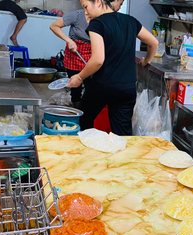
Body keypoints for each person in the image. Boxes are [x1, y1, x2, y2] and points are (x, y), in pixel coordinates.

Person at [67, 0, 158, 135]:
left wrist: (80, 77)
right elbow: (153, 43)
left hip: (102, 85)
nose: (85, 12)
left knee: (83, 120)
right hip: (127, 87)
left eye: (86, 7)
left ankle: (88, 153)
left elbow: (98, 59)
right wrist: (146, 60)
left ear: (98, 2)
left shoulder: (97, 23)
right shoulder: (130, 20)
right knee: (122, 133)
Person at [50, 10, 91, 107]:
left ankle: (88, 111)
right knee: (75, 87)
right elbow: (54, 26)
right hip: (74, 53)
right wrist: (69, 41)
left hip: (92, 53)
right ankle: (76, 107)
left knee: (91, 87)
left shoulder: (102, 17)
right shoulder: (77, 15)